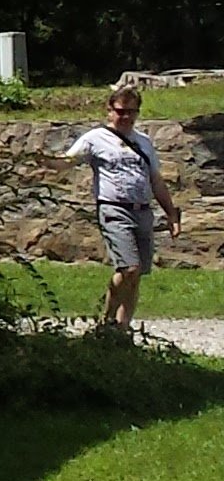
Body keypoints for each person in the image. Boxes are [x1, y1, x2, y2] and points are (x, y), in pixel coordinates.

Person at [68, 77, 183, 330]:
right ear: (110, 111)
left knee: (137, 274)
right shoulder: (95, 138)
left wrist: (172, 214)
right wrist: (41, 162)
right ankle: (105, 321)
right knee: (128, 268)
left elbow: (156, 180)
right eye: (121, 111)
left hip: (142, 211)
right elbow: (67, 161)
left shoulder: (143, 142)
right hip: (114, 208)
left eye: (131, 112)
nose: (126, 117)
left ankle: (122, 329)